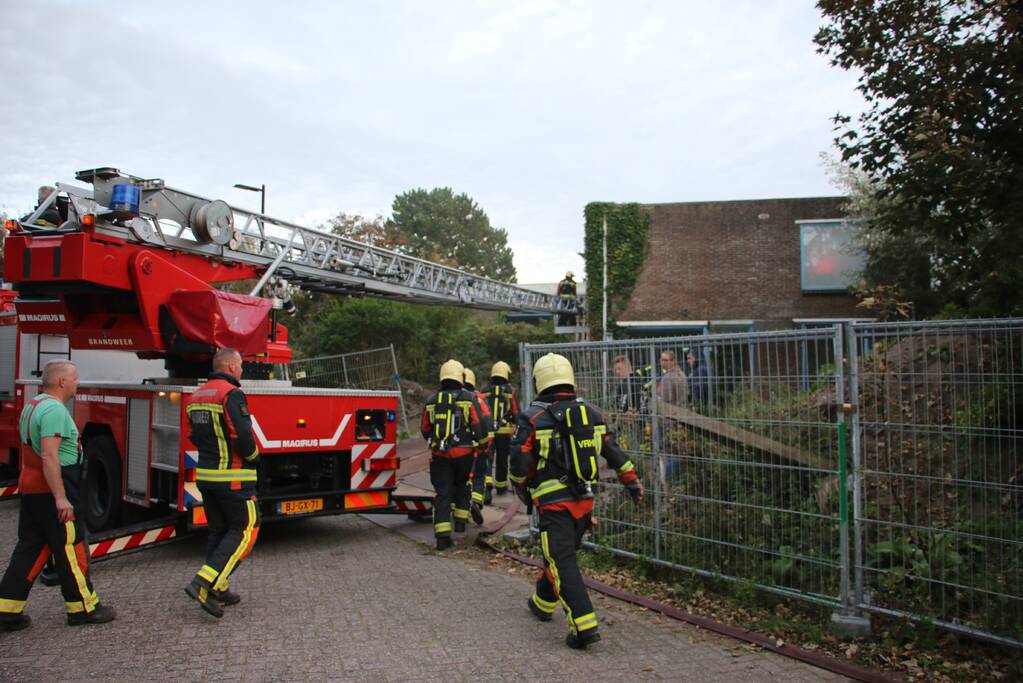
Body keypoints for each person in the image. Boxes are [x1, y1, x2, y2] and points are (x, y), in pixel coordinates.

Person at [510, 353, 643, 650]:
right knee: (561, 555)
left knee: (562, 560)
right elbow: (613, 451)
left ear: (539, 381)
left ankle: (584, 627)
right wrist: (631, 481)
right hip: (584, 501)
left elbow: (519, 463)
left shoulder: (533, 418)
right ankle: (542, 603)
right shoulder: (592, 414)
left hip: (553, 504)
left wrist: (520, 486)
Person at [0, 360, 116, 631]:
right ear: (62, 381)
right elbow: (49, 456)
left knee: (30, 549)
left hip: (32, 488)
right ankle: (84, 608)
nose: (78, 383)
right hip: (54, 488)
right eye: (75, 379)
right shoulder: (54, 411)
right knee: (71, 548)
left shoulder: (33, 405)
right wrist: (61, 498)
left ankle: (6, 609)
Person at [184, 347, 260, 619]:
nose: (241, 370)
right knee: (246, 528)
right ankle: (204, 582)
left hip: (206, 476)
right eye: (240, 366)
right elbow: (242, 434)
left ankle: (219, 589)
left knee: (219, 531)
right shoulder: (231, 394)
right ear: (230, 367)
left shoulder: (196, 396)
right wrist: (254, 457)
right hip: (234, 477)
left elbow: (193, 435)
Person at [420, 359, 483, 550]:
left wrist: (435, 441)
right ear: (460, 376)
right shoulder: (468, 398)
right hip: (464, 452)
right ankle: (460, 523)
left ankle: (442, 537)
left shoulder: (432, 400)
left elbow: (424, 428)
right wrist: (481, 445)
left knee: (443, 492)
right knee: (462, 485)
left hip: (440, 454)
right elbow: (477, 424)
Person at [479, 360, 520, 505]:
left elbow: (481, 409)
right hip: (504, 431)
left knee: (487, 459)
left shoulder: (484, 390)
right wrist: (518, 423)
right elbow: (515, 410)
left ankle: (486, 489)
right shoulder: (510, 391)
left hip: (488, 431)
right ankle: (501, 487)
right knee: (502, 459)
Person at [462, 368, 492, 526]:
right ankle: (476, 502)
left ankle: (462, 509)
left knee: (462, 478)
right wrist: (485, 445)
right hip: (479, 445)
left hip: (461, 447)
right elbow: (486, 421)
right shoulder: (479, 399)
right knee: (479, 475)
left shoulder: (455, 398)